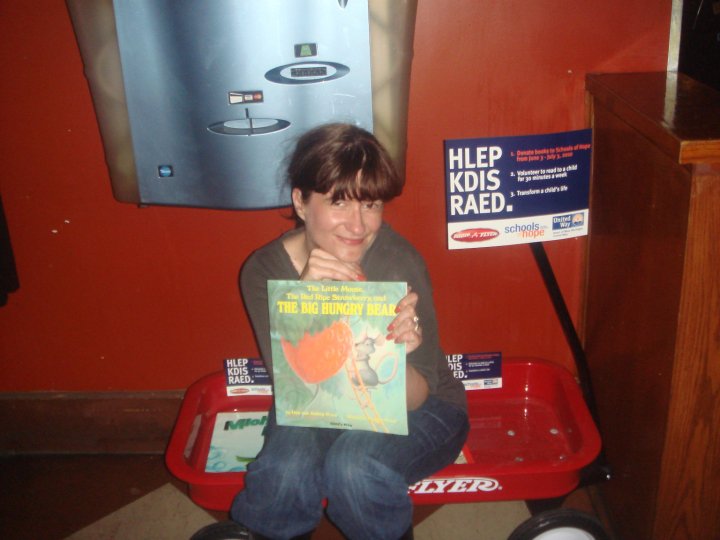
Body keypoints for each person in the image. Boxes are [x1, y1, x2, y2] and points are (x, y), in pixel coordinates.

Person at [197, 123, 469, 540]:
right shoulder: (265, 271)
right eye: (339, 202)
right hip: (319, 398)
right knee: (284, 470)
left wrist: (394, 347)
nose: (358, 225)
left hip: (425, 407)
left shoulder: (397, 263)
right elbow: (300, 386)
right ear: (301, 202)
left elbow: (416, 397)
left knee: (355, 466)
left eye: (371, 204)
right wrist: (304, 303)